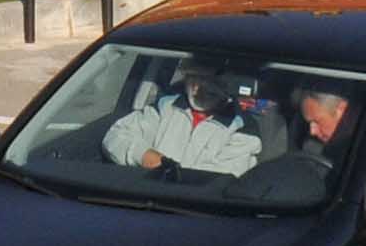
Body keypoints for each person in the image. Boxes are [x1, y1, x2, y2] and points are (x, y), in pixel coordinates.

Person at [106, 62, 264, 177]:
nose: (195, 89)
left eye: (205, 82)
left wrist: (172, 174)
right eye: (192, 79)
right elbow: (116, 136)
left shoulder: (243, 129)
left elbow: (218, 182)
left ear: (225, 84)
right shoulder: (165, 107)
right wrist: (144, 155)